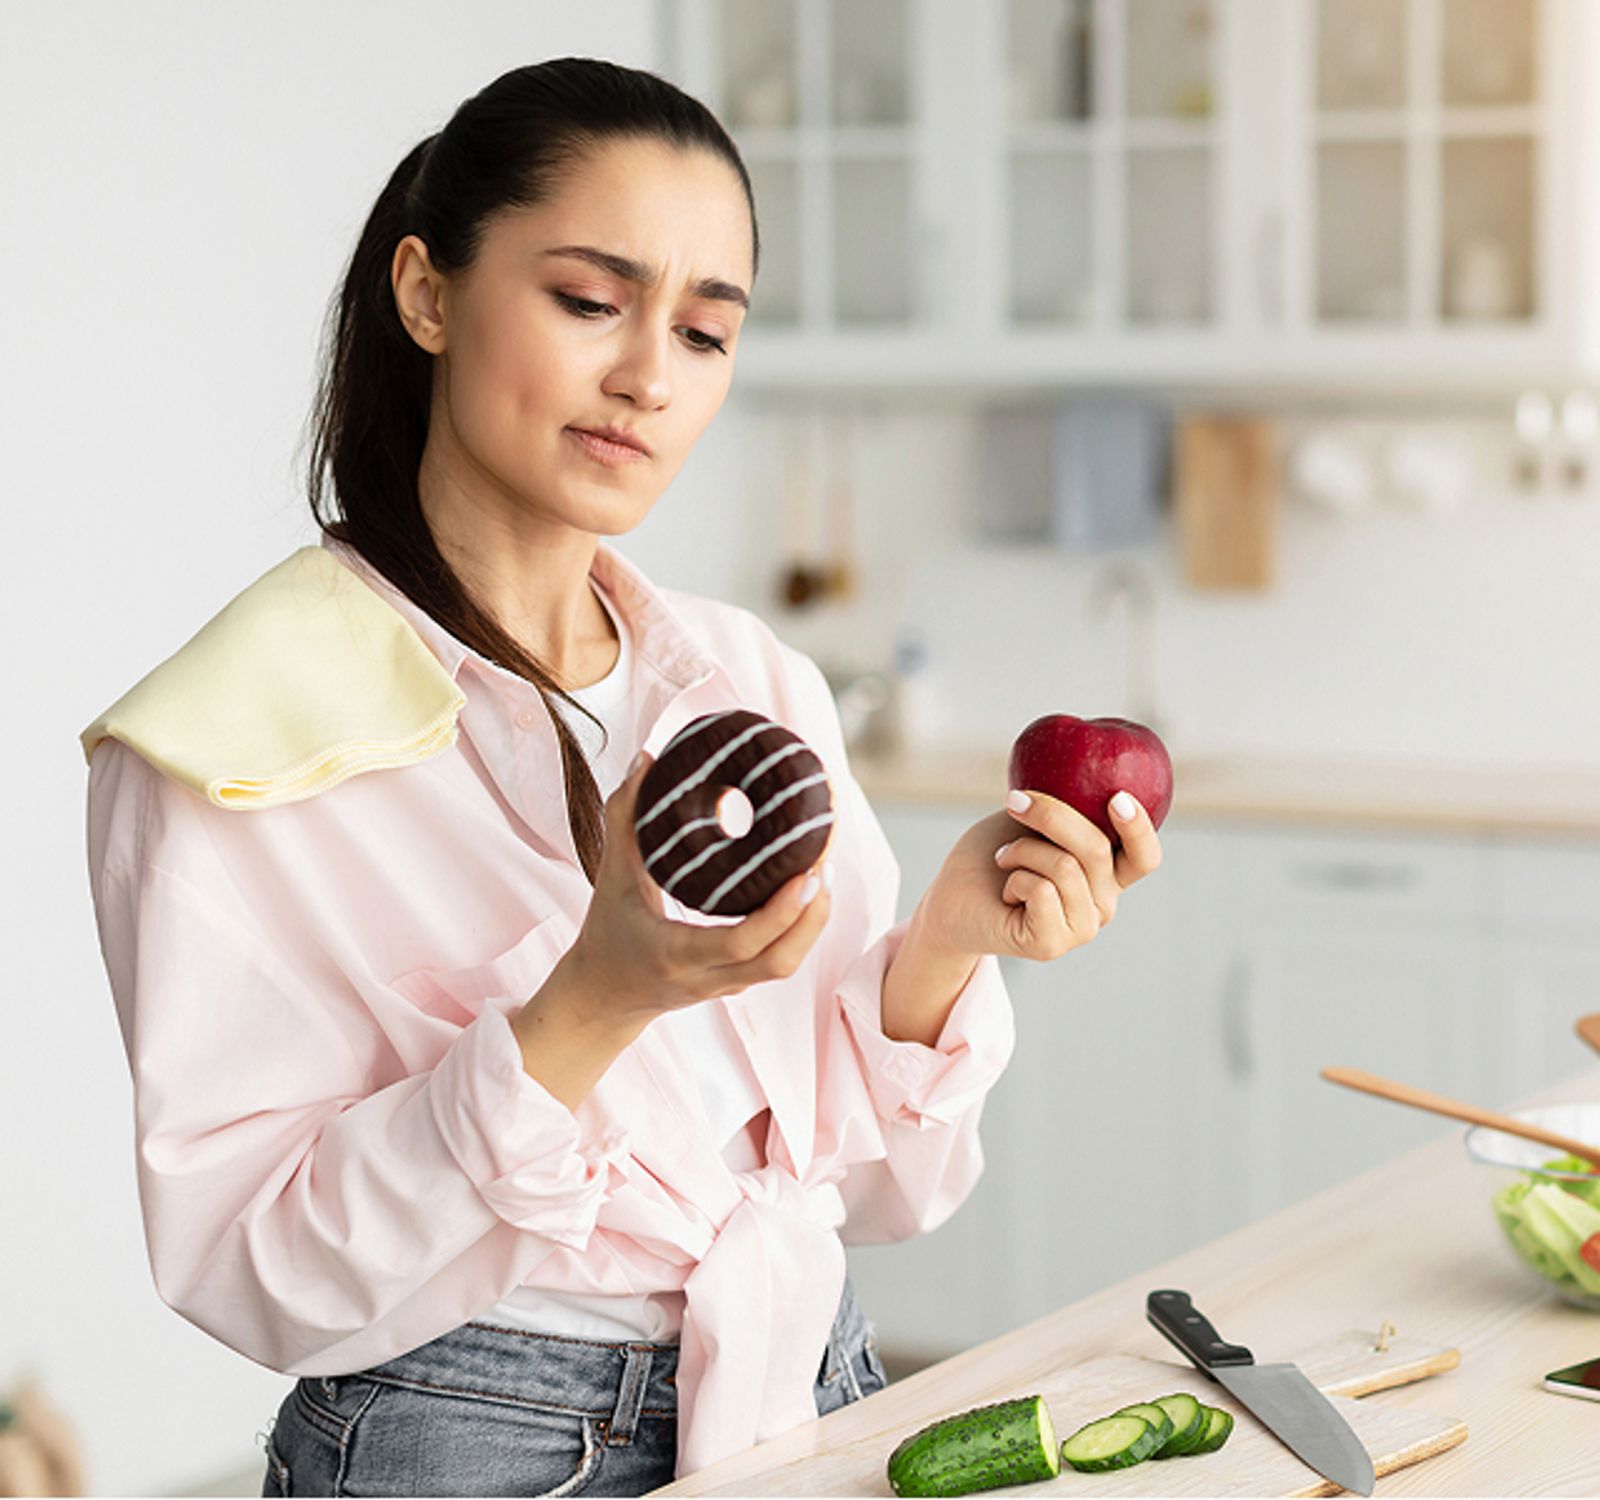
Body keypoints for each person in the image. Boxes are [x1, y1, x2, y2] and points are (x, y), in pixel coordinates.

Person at [79, 57, 1163, 1498]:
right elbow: (256, 1270)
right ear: (427, 291)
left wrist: (950, 944)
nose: (650, 376)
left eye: (707, 333)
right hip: (467, 1442)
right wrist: (597, 997)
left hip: (812, 1386)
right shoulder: (233, 740)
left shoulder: (745, 681)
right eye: (591, 302)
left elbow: (878, 1189)